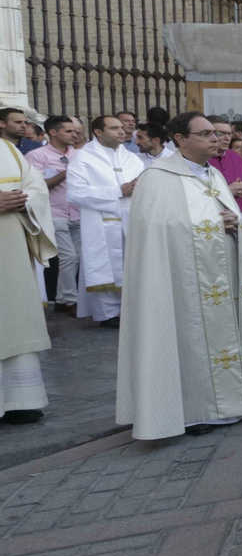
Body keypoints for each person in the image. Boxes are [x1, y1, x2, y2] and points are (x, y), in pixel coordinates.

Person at [116, 111, 242, 439]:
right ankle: (195, 410)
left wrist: (230, 224)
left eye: (216, 134)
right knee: (190, 338)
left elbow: (226, 216)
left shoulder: (212, 176)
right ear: (181, 140)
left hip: (223, 275)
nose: (216, 139)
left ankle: (238, 400)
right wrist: (216, 225)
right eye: (205, 134)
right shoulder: (157, 178)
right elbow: (159, 231)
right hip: (183, 283)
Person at [1, 129, 57, 423]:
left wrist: (24, 201)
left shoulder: (8, 151)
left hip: (9, 253)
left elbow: (37, 188)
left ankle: (19, 400)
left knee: (14, 319)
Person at [66, 115, 142, 327]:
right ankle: (107, 314)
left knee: (132, 265)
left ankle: (131, 312)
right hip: (101, 222)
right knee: (104, 267)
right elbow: (75, 193)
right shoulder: (83, 158)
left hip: (132, 220)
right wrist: (118, 191)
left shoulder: (132, 159)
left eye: (122, 127)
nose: (122, 131)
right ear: (98, 132)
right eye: (114, 128)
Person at [23, 115, 81, 315]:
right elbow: (38, 187)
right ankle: (72, 300)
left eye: (74, 131)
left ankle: (63, 298)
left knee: (78, 257)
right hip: (54, 212)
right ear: (53, 132)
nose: (74, 134)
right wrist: (67, 172)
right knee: (69, 257)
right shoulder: (37, 156)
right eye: (68, 131)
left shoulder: (79, 155)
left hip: (78, 211)